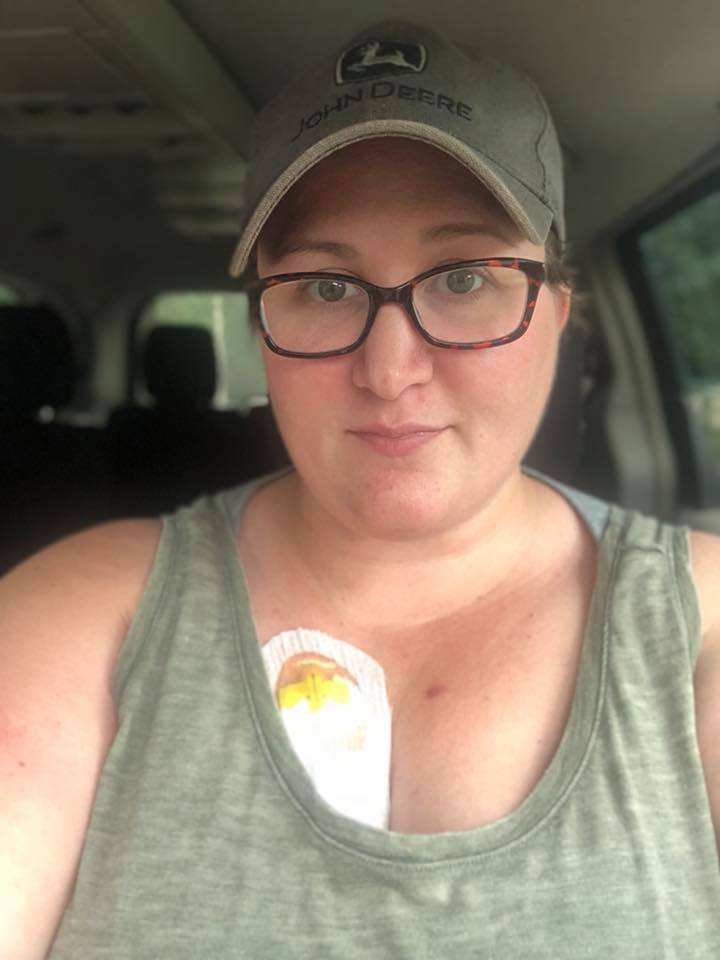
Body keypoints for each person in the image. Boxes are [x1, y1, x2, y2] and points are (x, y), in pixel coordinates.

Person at [2, 20, 719, 960]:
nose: (389, 370)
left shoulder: (697, 627)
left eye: (464, 277)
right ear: (262, 324)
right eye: (324, 287)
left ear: (556, 314)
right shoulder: (81, 615)